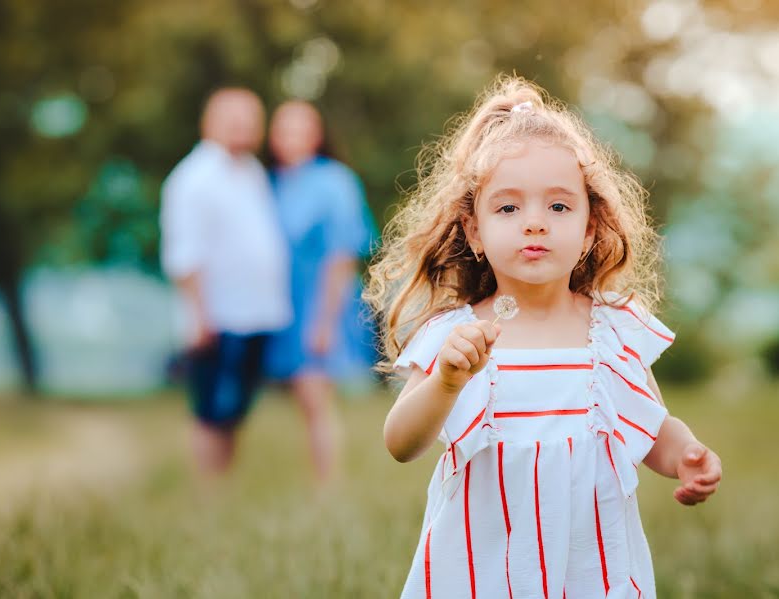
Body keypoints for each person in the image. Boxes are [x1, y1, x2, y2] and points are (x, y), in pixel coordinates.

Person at [365, 76, 722, 598]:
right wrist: (446, 383)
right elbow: (400, 444)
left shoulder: (612, 330)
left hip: (589, 568)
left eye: (558, 207)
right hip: (480, 570)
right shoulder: (455, 336)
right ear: (474, 231)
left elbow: (651, 426)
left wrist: (686, 454)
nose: (535, 223)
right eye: (508, 208)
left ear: (590, 229)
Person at [160, 88, 290, 474]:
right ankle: (209, 491)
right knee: (211, 408)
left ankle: (225, 483)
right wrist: (199, 316)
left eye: (251, 119)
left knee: (236, 407)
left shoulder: (251, 171)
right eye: (233, 119)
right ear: (209, 122)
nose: (244, 127)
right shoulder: (193, 178)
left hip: (256, 312)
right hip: (218, 315)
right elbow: (184, 254)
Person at [264, 100, 378, 484]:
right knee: (296, 395)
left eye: (300, 128)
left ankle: (327, 485)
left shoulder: (334, 181)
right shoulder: (271, 181)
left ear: (316, 135)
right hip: (281, 301)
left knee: (316, 396)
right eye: (283, 128)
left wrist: (325, 321)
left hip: (319, 300)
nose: (290, 137)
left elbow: (342, 254)